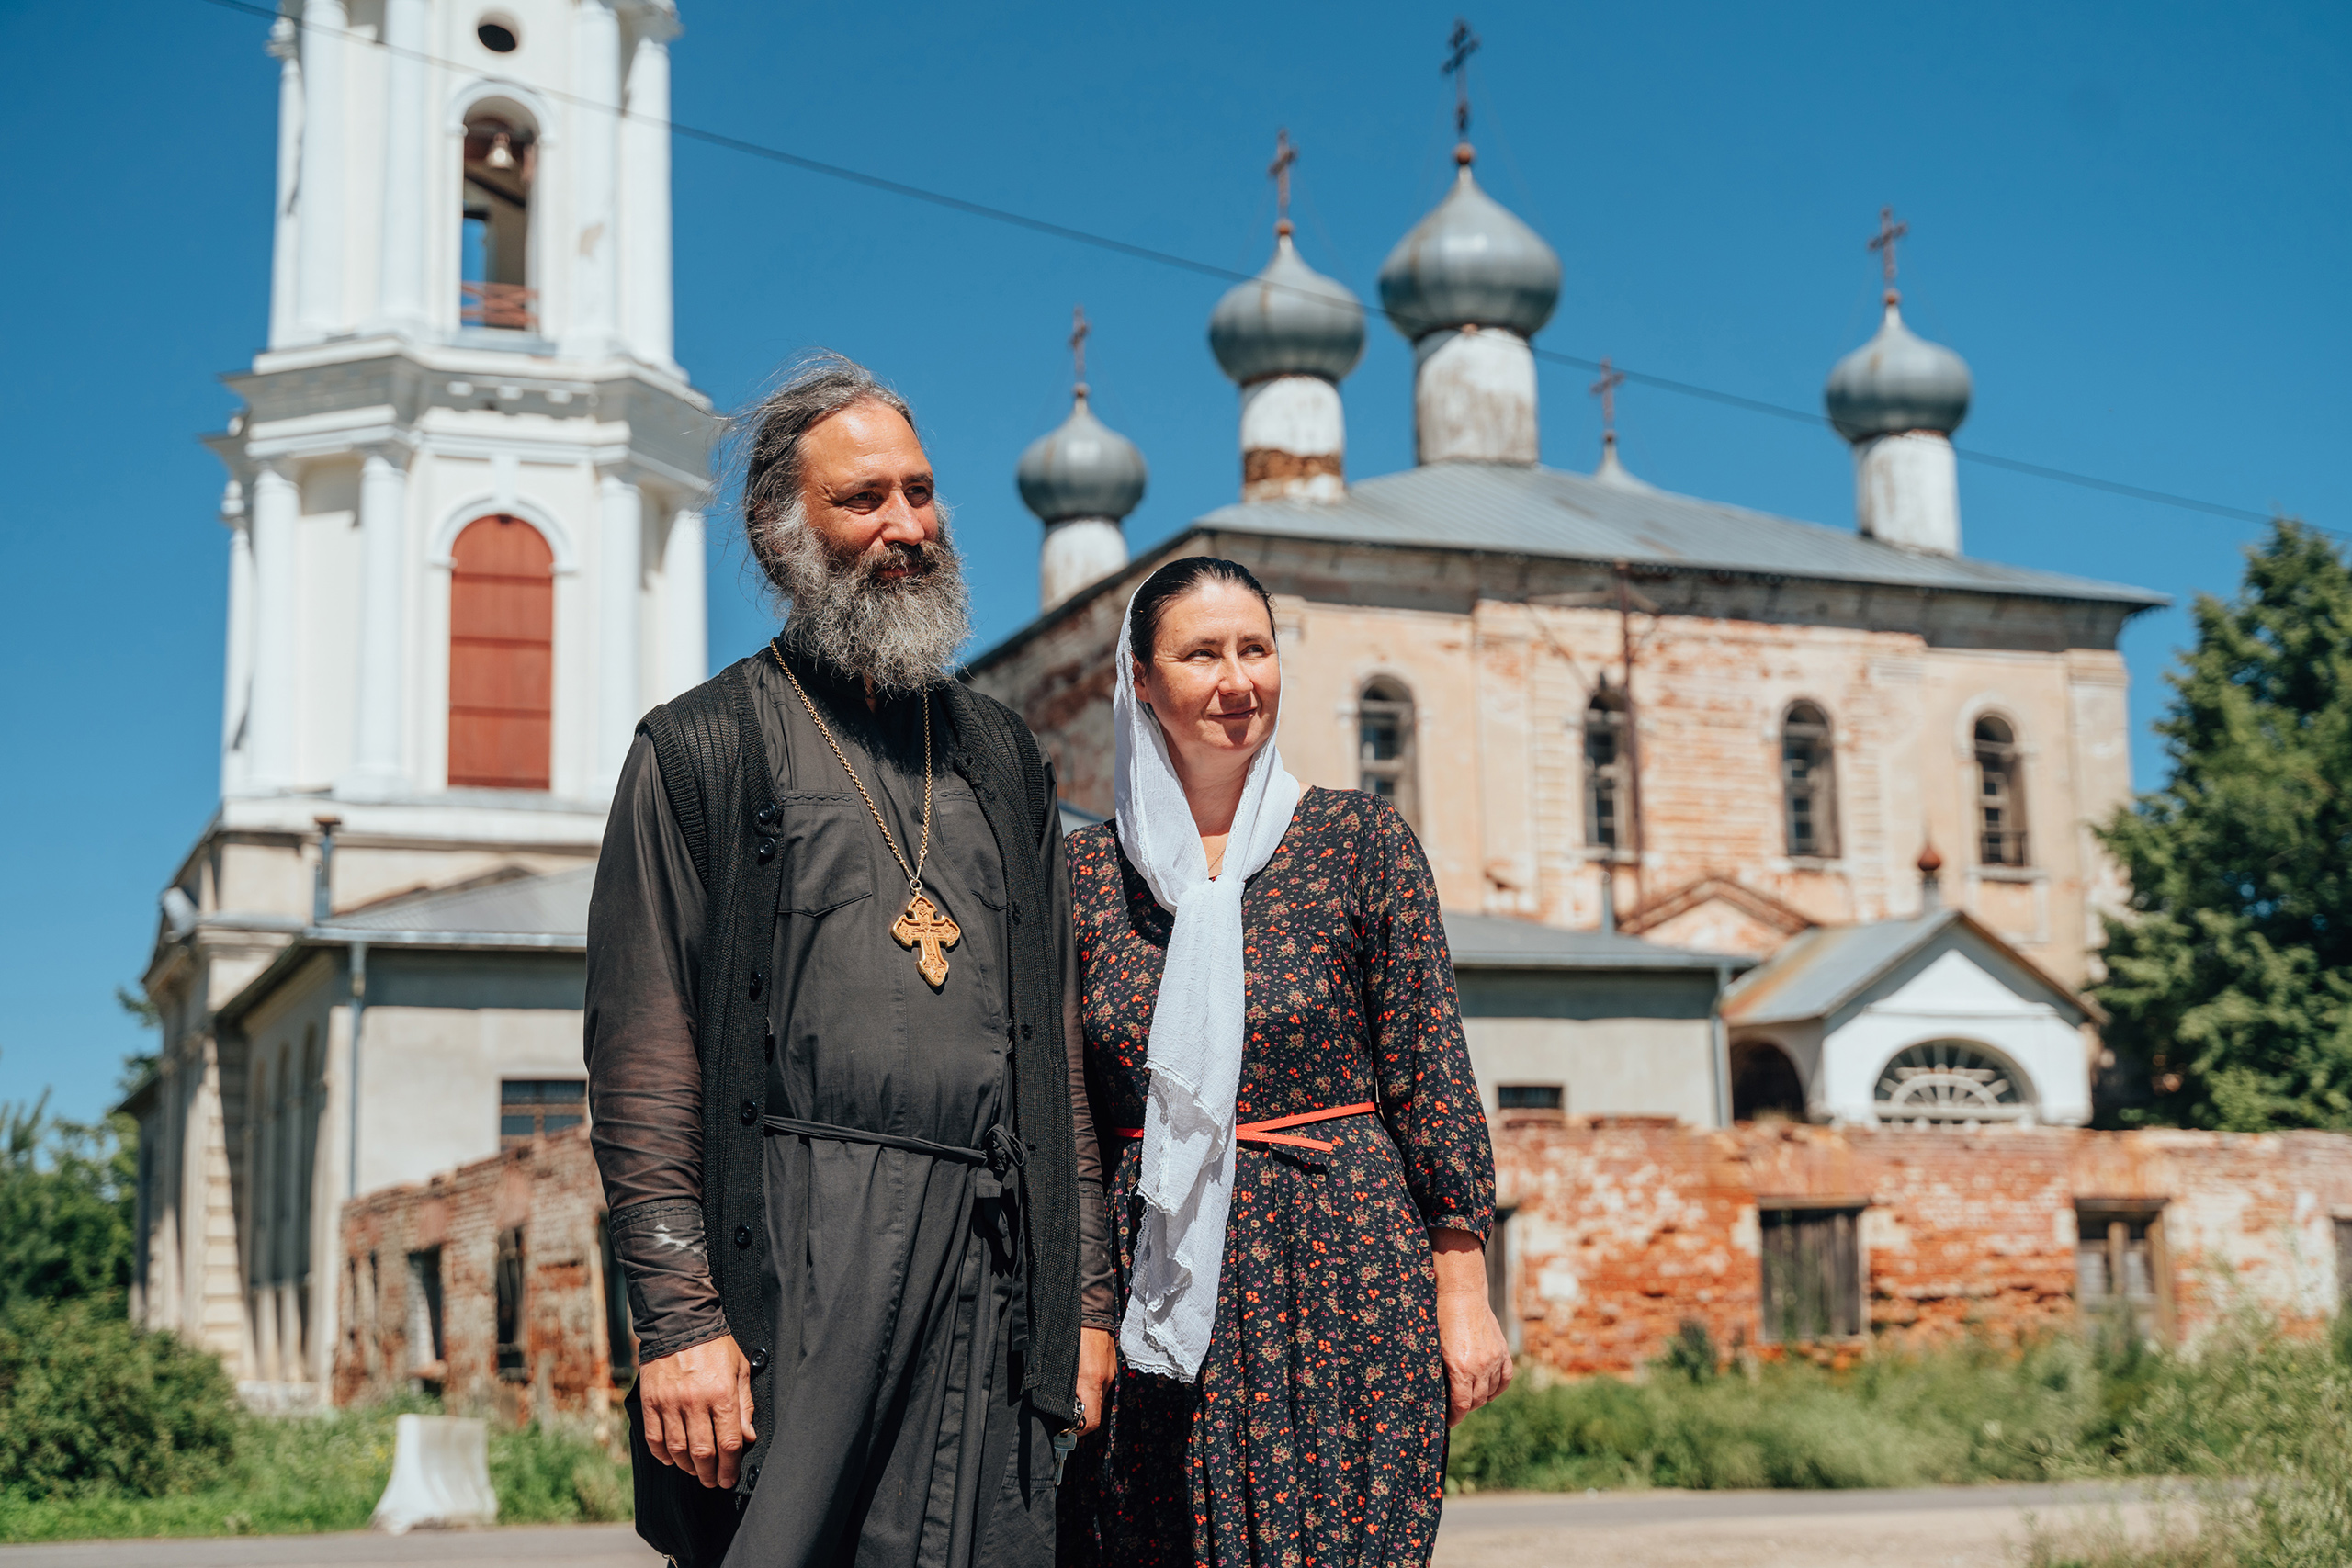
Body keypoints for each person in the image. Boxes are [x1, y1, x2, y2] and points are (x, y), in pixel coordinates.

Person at [584, 353, 1118, 1568]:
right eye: (863, 498)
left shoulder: (999, 755)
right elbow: (644, 1056)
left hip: (992, 1251)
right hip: (800, 1239)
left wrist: (1085, 1298)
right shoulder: (702, 750)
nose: (907, 525)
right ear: (784, 537)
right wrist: (676, 1318)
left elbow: (1058, 1054)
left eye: (921, 491)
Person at [1057, 556, 1510, 1567]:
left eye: (1254, 649)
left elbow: (1430, 1070)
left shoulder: (1358, 841)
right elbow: (1070, 1122)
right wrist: (1081, 1314)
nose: (1237, 681)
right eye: (1202, 653)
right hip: (1159, 1275)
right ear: (1140, 679)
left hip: (1345, 1263)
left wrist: (1463, 1290)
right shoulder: (1083, 876)